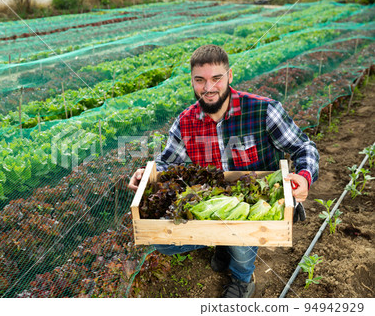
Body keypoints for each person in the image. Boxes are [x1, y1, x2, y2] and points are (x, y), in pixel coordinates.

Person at [128, 44, 319, 298]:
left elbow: (304, 147)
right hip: (215, 201)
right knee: (162, 239)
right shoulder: (185, 122)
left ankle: (242, 279)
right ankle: (222, 241)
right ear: (192, 82)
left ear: (229, 77)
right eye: (200, 80)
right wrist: (144, 174)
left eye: (216, 78)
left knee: (239, 238)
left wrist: (304, 177)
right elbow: (167, 163)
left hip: (254, 207)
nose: (208, 88)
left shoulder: (263, 111)